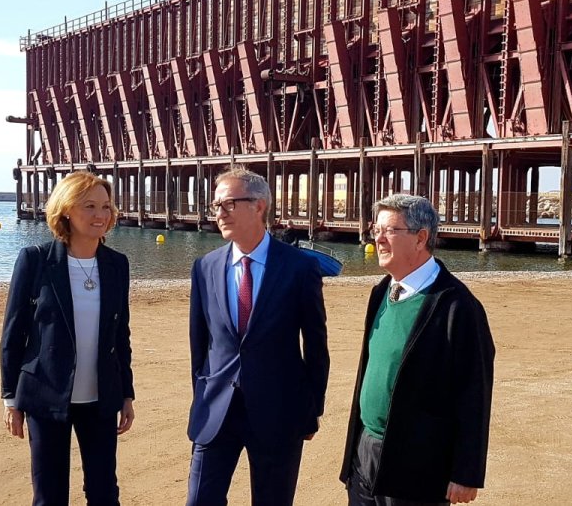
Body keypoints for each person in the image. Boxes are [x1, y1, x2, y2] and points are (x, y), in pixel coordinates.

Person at [186, 167, 330, 506]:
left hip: (278, 412)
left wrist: (311, 409)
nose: (219, 213)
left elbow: (316, 345)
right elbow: (199, 344)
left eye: (229, 204)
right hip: (216, 410)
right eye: (216, 205)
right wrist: (202, 396)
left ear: (259, 206)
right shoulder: (205, 267)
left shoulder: (299, 267)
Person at [340, 194, 495, 505]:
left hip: (418, 464)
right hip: (365, 452)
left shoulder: (457, 306)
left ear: (421, 238)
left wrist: (466, 472)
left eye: (390, 230)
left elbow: (474, 393)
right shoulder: (382, 291)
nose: (378, 239)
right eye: (376, 230)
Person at [0, 171, 136, 506]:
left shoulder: (117, 265)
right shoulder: (35, 260)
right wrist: (10, 399)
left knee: (104, 493)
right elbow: (13, 334)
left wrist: (126, 394)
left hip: (101, 398)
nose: (100, 214)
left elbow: (121, 334)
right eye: (89, 206)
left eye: (106, 206)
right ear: (66, 210)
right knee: (49, 496)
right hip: (45, 394)